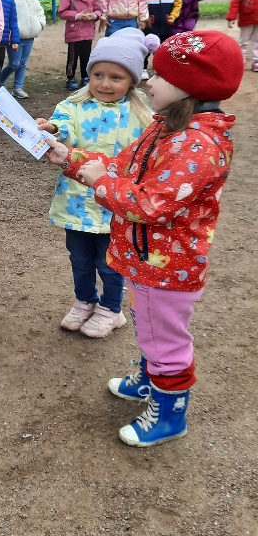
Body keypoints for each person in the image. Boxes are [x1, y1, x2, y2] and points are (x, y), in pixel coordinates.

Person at [45, 30, 244, 447]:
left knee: (166, 341)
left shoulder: (196, 145)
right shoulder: (170, 127)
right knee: (149, 328)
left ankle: (169, 415)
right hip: (151, 259)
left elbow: (151, 204)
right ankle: (149, 377)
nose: (149, 82)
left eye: (160, 76)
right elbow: (123, 165)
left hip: (168, 266)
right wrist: (73, 160)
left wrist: (100, 184)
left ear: (189, 86)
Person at [37, 30, 156, 338]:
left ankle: (111, 308)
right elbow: (63, 125)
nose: (105, 83)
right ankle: (84, 300)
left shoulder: (142, 113)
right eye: (98, 74)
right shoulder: (74, 103)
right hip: (76, 199)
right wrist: (52, 127)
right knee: (79, 258)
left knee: (110, 261)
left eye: (116, 77)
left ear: (132, 80)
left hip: (115, 204)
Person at [0, 0, 46, 99]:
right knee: (14, 63)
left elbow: (39, 12)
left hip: (30, 37)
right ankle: (0, 81)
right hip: (15, 37)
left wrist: (40, 24)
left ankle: (18, 87)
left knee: (23, 63)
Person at [58, 0, 101, 91]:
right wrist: (77, 16)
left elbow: (98, 9)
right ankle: (70, 78)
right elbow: (62, 12)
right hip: (73, 33)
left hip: (88, 32)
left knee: (86, 57)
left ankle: (85, 77)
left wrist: (94, 15)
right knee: (72, 58)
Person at [144, 0, 182, 79]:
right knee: (145, 46)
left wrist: (172, 16)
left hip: (166, 25)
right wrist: (145, 18)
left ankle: (159, 69)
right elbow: (142, 4)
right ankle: (143, 68)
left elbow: (178, 4)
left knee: (162, 49)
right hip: (150, 25)